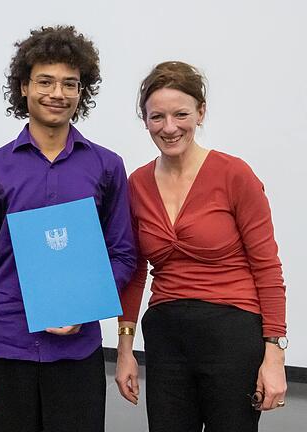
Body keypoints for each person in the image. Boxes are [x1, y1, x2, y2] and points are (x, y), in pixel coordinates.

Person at [0, 25, 136, 432]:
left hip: (77, 351)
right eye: (46, 81)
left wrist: (84, 304)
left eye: (70, 84)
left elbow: (122, 253)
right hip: (5, 346)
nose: (58, 93)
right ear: (23, 87)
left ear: (81, 92)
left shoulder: (107, 167)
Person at [115, 61, 287, 431]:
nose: (170, 127)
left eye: (181, 114)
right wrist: (125, 350)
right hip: (166, 335)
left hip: (232, 333)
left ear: (201, 112)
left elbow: (267, 267)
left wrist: (274, 353)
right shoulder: (137, 184)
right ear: (144, 120)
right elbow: (133, 273)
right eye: (156, 116)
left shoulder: (234, 174)